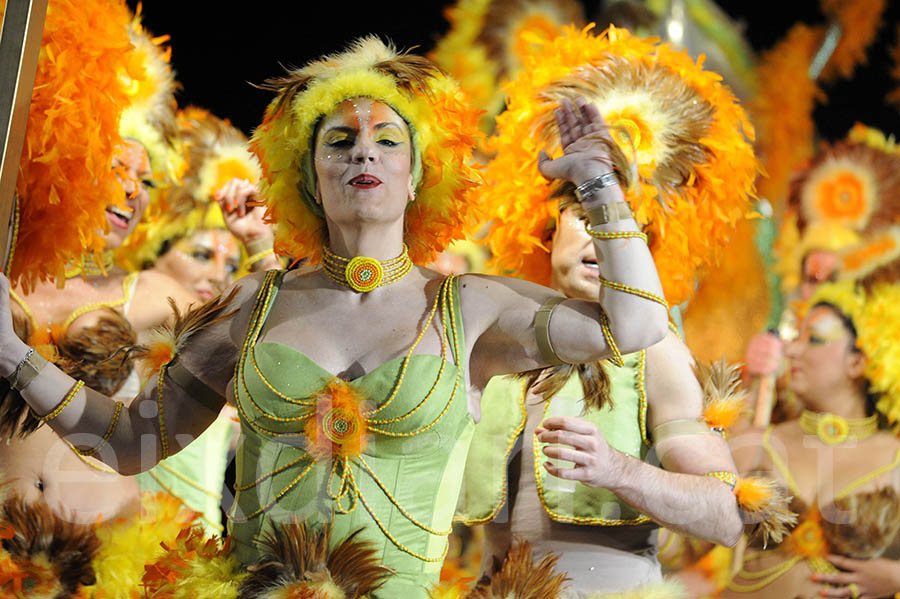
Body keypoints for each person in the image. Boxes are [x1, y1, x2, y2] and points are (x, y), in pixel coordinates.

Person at [0, 37, 668, 597]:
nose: (363, 152)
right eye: (340, 139)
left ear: (416, 177)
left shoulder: (471, 307)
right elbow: (130, 442)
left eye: (387, 140)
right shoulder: (248, 306)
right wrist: (12, 355)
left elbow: (633, 326)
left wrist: (598, 185)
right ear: (310, 178)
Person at [456, 25, 765, 596]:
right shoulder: (495, 342)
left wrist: (619, 472)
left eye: (626, 231)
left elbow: (726, 515)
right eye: (583, 215)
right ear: (547, 230)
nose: (600, 239)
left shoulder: (657, 351)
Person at [720, 279, 900, 599]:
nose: (791, 349)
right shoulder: (756, 443)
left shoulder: (894, 457)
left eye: (814, 339)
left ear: (859, 362)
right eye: (795, 337)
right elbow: (680, 548)